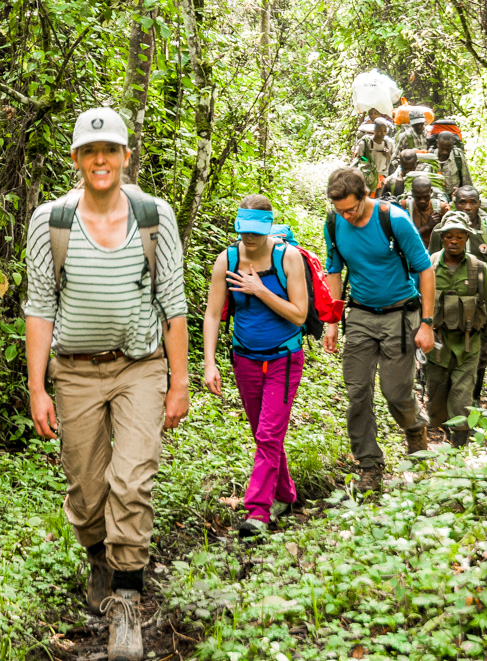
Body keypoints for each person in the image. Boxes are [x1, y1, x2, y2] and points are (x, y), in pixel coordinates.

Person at [24, 107, 189, 661]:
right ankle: (99, 554)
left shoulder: (153, 216)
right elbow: (40, 306)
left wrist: (178, 381)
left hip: (140, 366)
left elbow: (174, 302)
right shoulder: (52, 222)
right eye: (90, 152)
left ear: (125, 156)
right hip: (73, 371)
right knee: (88, 490)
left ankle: (126, 602)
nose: (101, 160)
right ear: (76, 159)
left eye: (111, 150)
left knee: (132, 479)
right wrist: (38, 387)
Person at [322, 167, 434, 494]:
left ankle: (415, 430)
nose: (348, 216)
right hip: (359, 314)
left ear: (366, 194)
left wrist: (426, 324)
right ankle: (369, 464)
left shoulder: (394, 220)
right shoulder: (334, 223)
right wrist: (332, 319)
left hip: (400, 314)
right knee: (357, 393)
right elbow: (334, 269)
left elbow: (425, 270)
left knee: (395, 391)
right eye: (341, 210)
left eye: (352, 209)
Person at [203, 196, 309, 539]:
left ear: (267, 228)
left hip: (284, 357)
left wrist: (259, 290)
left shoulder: (288, 258)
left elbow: (299, 315)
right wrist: (209, 363)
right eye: (244, 230)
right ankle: (286, 495)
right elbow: (211, 313)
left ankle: (258, 512)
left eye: (256, 231)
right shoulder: (228, 259)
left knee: (267, 435)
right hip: (244, 358)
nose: (249, 237)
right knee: (265, 435)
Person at [425, 211, 487, 446]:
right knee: (436, 401)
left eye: (459, 237)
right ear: (441, 238)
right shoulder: (428, 266)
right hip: (437, 347)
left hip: (468, 346)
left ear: (467, 239)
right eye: (449, 236)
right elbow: (417, 306)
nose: (454, 241)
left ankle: (458, 448)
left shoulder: (478, 269)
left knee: (462, 400)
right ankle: (440, 440)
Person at [352, 117, 396, 195]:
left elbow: (394, 159)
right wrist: (368, 160)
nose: (382, 133)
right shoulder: (365, 143)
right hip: (367, 176)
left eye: (384, 131)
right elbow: (359, 157)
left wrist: (387, 155)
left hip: (382, 176)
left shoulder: (389, 143)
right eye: (379, 131)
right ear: (374, 130)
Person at [399, 175, 446, 250]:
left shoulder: (442, 208)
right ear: (412, 192)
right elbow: (403, 237)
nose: (422, 201)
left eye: (426, 197)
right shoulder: (404, 207)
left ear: (431, 192)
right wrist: (427, 226)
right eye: (418, 197)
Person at [435, 131, 473, 198]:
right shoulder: (431, 157)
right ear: (437, 144)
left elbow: (466, 179)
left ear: (453, 145)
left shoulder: (457, 157)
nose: (444, 152)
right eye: (442, 148)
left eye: (448, 149)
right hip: (436, 197)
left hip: (454, 196)